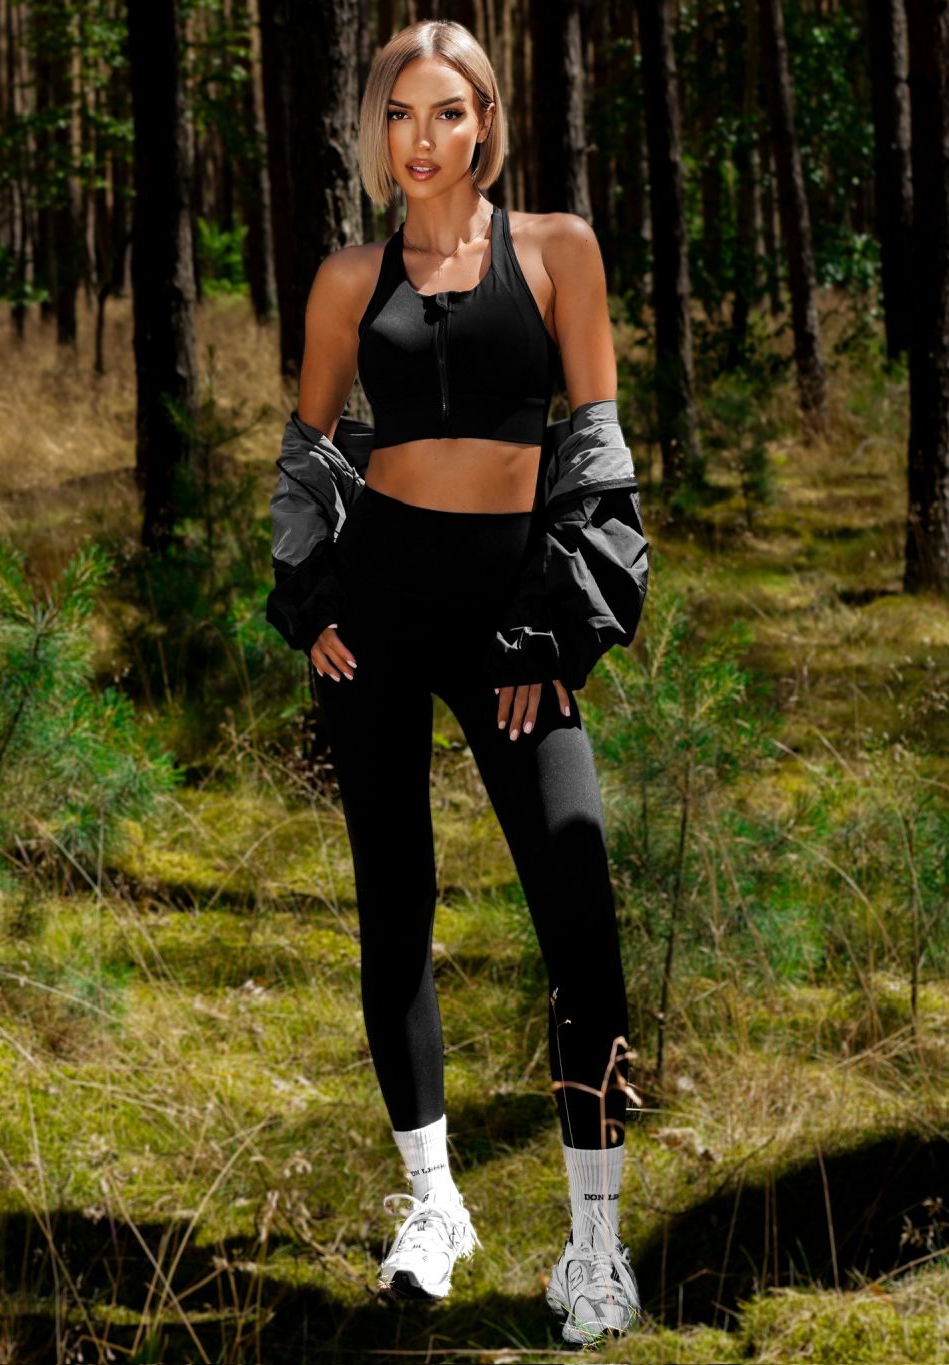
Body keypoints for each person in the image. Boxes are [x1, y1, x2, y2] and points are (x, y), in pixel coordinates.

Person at [265, 18, 649, 1347]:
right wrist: (311, 594)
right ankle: (434, 1202)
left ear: (485, 119)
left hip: (512, 615)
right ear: (377, 131)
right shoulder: (346, 278)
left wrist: (555, 628)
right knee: (396, 903)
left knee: (575, 904)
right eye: (397, 115)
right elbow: (311, 449)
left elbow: (595, 449)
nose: (419, 140)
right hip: (378, 612)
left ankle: (594, 1245)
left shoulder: (557, 251)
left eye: (445, 112)